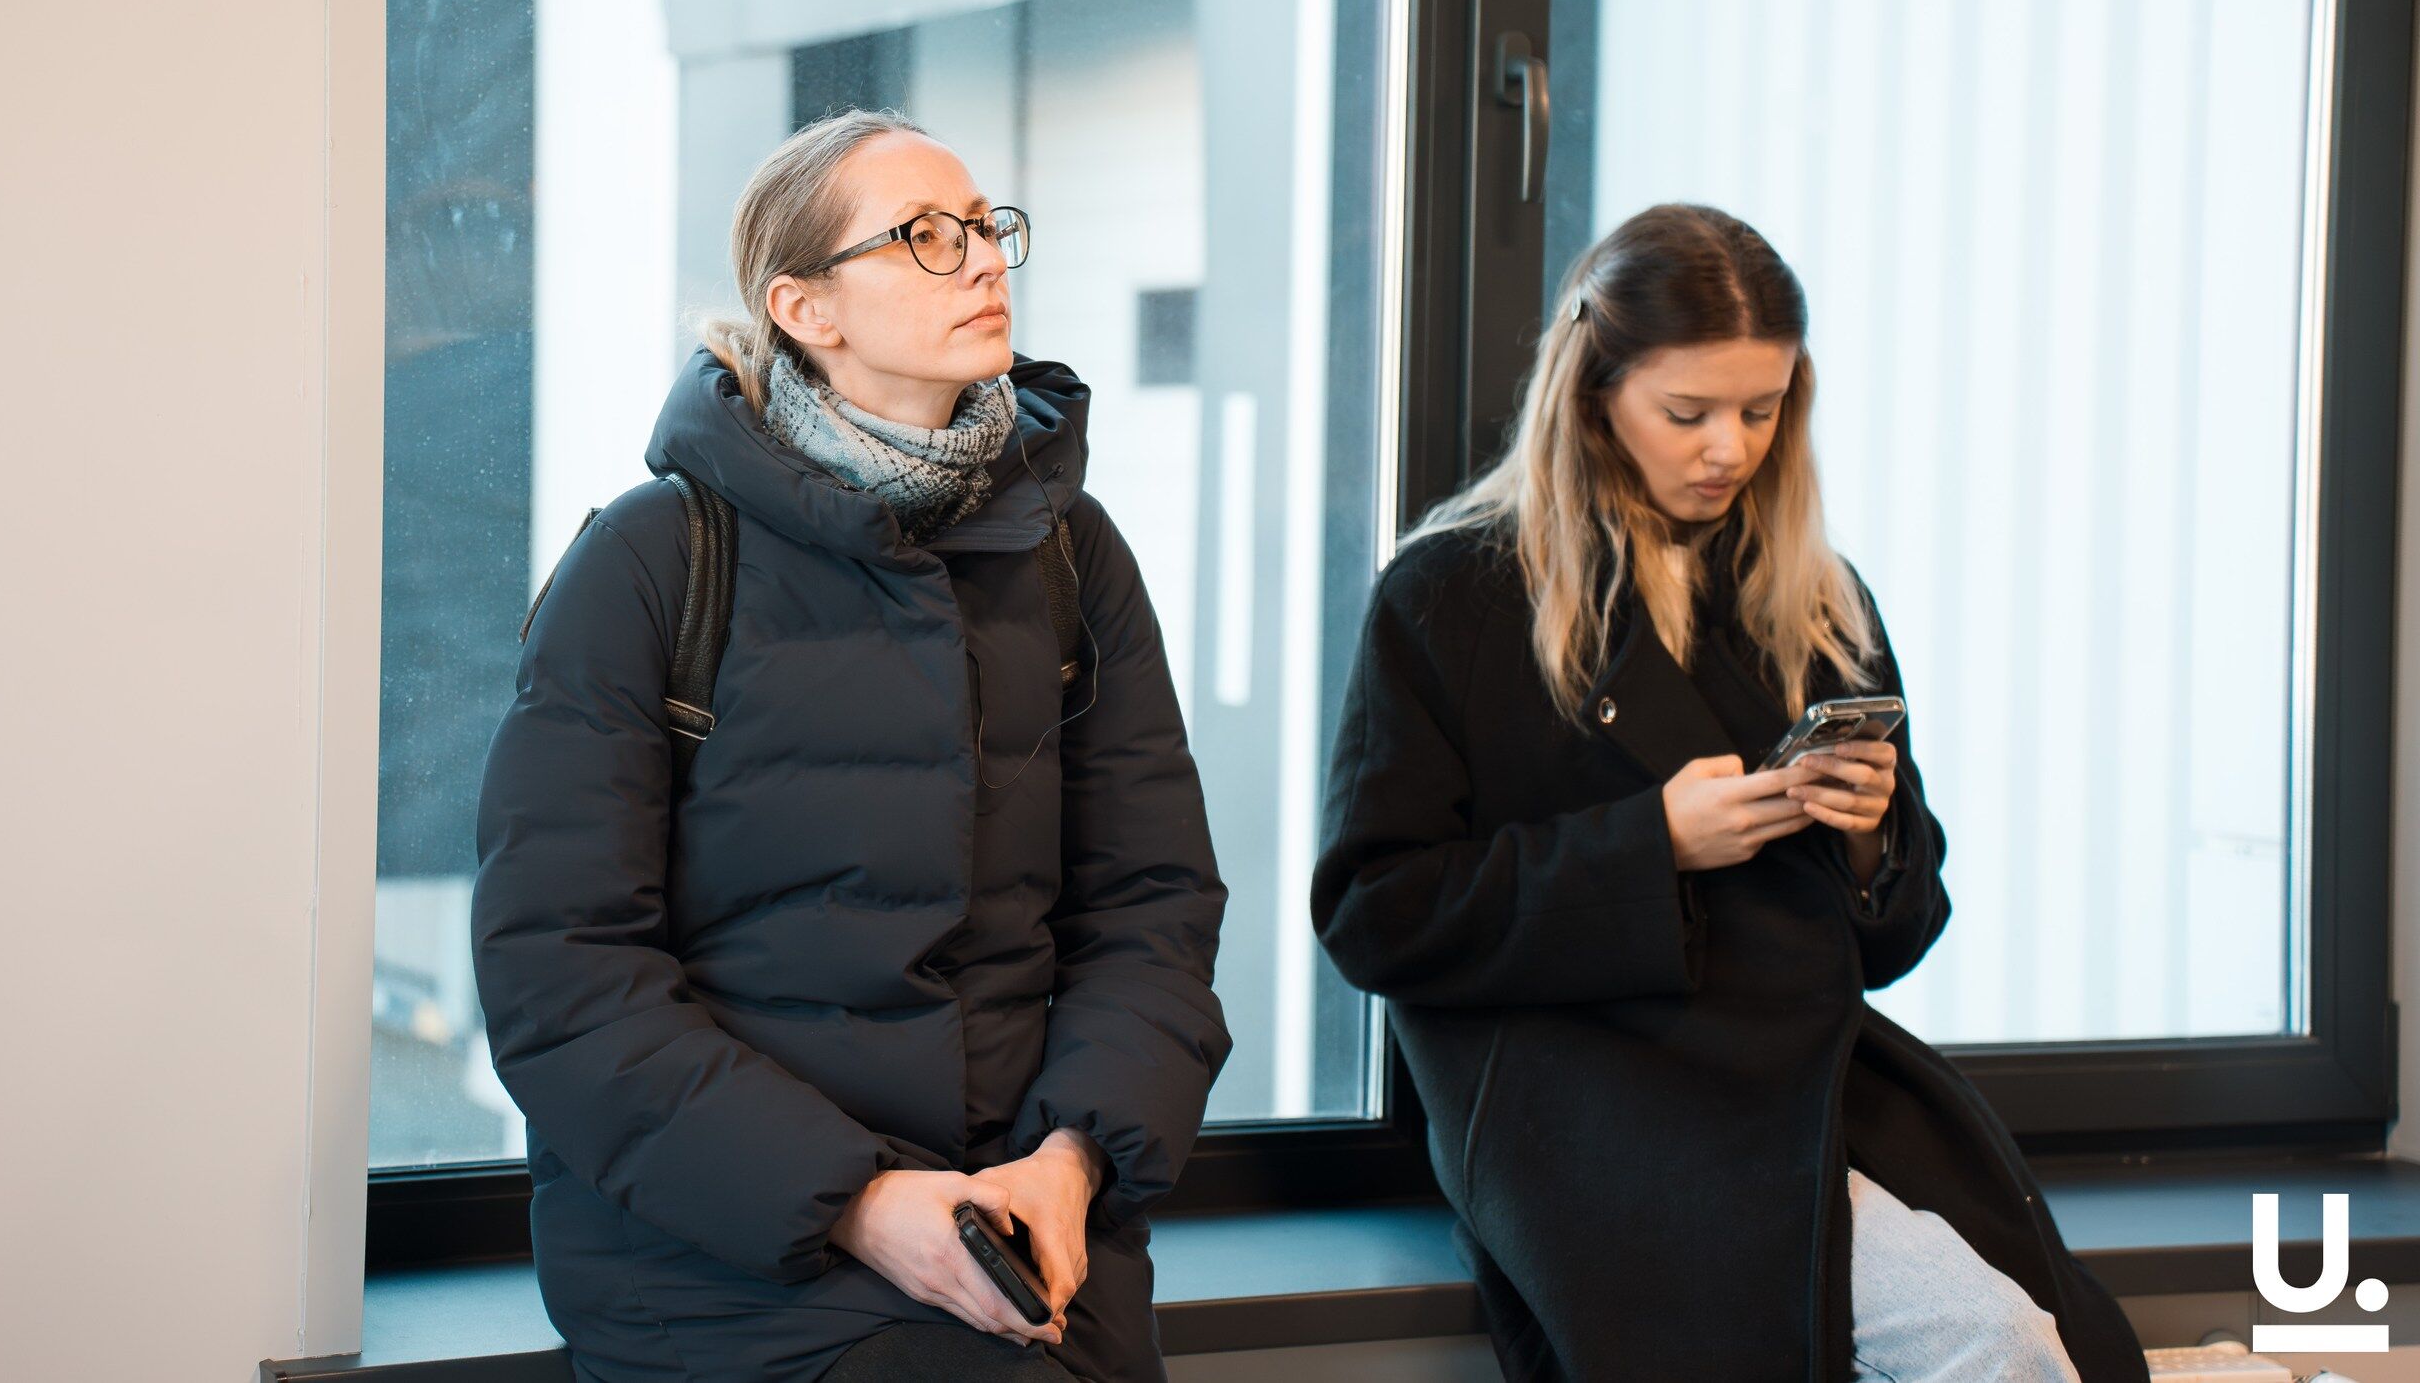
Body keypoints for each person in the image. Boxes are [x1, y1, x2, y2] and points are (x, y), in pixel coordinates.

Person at [1310, 203, 2148, 1382]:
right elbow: (1375, 913)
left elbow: (1898, 937)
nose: (1728, 449)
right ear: (1593, 391)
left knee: (2033, 1337)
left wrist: (1869, 838)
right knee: (1991, 1342)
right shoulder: (1455, 594)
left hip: (1804, 1094)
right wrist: (1649, 845)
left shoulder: (1813, 596)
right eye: (1687, 412)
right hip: (1586, 1110)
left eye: (1762, 411)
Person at [473, 108, 1231, 1383]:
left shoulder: (1069, 551)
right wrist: (860, 1204)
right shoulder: (654, 560)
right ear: (804, 308)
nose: (981, 259)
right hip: (727, 1258)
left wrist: (1071, 1161)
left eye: (985, 226)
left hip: (1030, 1234)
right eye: (926, 236)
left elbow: (1149, 910)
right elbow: (561, 975)